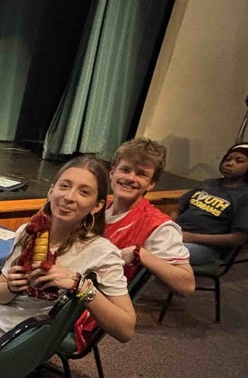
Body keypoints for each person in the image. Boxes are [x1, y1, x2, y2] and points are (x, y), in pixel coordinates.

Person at [0, 155, 135, 355]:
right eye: (64, 186)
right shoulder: (27, 232)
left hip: (11, 336)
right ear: (51, 191)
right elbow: (0, 296)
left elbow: (126, 330)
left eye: (84, 192)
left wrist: (79, 285)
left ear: (97, 206)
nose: (69, 197)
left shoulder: (102, 253)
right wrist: (11, 287)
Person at [71, 138, 197, 346]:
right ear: (112, 172)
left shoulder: (158, 226)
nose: (130, 178)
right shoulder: (99, 208)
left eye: (141, 174)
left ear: (151, 183)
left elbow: (187, 284)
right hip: (70, 286)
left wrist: (141, 254)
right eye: (125, 169)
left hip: (87, 308)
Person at [174, 142, 248, 267]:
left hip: (205, 247)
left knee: (159, 252)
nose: (230, 163)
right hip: (177, 234)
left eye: (239, 161)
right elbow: (179, 208)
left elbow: (239, 238)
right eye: (227, 159)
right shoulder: (208, 183)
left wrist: (192, 237)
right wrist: (170, 226)